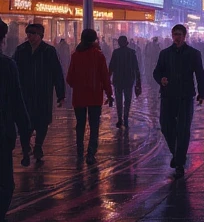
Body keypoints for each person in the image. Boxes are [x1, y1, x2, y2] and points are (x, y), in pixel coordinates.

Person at [153, 25, 204, 179]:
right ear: (171, 35)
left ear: (184, 36)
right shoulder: (165, 54)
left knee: (183, 129)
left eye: (179, 35)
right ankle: (176, 154)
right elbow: (157, 71)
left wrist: (201, 93)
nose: (177, 37)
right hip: (167, 95)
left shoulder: (194, 54)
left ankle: (180, 163)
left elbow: (200, 75)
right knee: (166, 126)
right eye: (175, 34)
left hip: (185, 96)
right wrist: (160, 79)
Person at [13, 22, 65, 165]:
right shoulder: (21, 50)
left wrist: (61, 94)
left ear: (40, 35)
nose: (30, 36)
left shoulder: (48, 51)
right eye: (28, 33)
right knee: (25, 123)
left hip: (43, 93)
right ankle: (25, 150)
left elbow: (57, 72)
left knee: (42, 122)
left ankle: (38, 146)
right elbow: (14, 72)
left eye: (33, 33)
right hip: (25, 94)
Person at [0, 18, 30, 222]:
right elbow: (18, 102)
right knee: (5, 184)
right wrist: (25, 132)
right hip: (2, 135)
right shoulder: (7, 66)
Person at [66, 29, 113, 164]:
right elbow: (105, 77)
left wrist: (78, 85)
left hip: (79, 97)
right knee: (94, 125)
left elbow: (69, 78)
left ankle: (79, 151)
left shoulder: (75, 55)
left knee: (80, 125)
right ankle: (91, 152)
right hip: (94, 96)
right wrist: (109, 94)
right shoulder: (99, 55)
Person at [108, 36, 141, 129]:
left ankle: (120, 119)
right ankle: (125, 118)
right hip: (128, 80)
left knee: (119, 101)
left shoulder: (116, 53)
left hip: (118, 81)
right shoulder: (131, 53)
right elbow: (136, 68)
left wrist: (108, 78)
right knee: (127, 100)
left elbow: (111, 67)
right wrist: (138, 81)